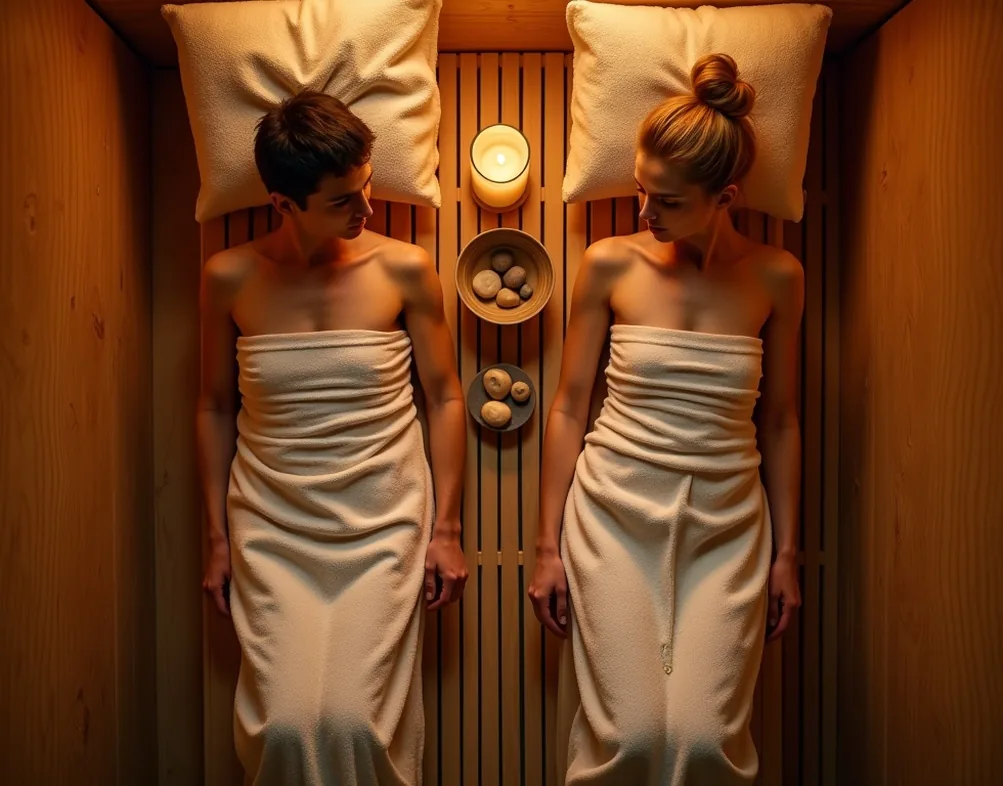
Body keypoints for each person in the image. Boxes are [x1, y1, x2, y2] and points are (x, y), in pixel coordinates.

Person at [529, 54, 803, 786]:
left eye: (667, 202)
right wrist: (545, 546)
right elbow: (566, 406)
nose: (643, 214)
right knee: (632, 737)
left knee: (705, 740)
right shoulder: (610, 264)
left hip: (727, 524)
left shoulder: (776, 276)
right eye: (642, 191)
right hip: (613, 515)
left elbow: (778, 422)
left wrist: (785, 554)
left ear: (727, 196)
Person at [197, 91, 468, 785]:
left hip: (380, 521)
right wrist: (218, 540)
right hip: (272, 524)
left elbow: (443, 397)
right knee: (286, 727)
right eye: (344, 199)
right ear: (284, 203)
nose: (366, 209)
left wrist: (445, 529)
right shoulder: (230, 278)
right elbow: (212, 406)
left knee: (352, 722)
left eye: (366, 184)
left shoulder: (402, 269)